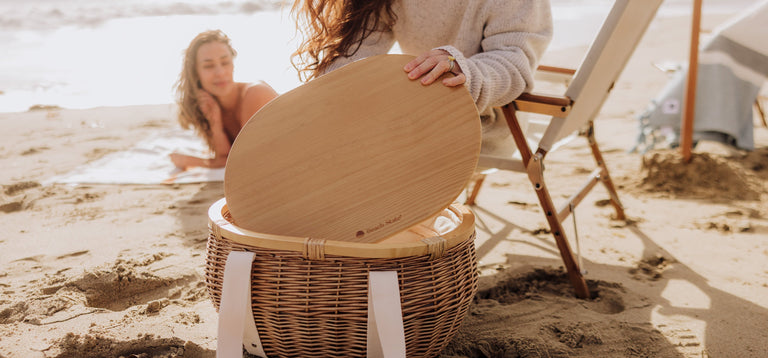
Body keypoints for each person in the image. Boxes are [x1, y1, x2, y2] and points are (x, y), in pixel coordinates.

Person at [291, 0, 552, 155]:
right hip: (416, 114)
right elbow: (355, 58)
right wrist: (323, 99)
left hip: (484, 126)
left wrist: (463, 71)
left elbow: (514, 64)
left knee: (350, 157)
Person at [171, 30, 278, 169]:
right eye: (208, 66)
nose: (220, 72)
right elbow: (224, 156)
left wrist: (193, 161)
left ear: (233, 64)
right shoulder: (209, 105)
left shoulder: (255, 93)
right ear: (196, 73)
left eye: (225, 62)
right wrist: (215, 124)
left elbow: (246, 160)